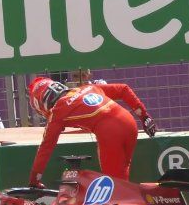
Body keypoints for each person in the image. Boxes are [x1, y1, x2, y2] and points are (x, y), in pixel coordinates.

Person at [27, 77, 157, 187]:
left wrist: (34, 180)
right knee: (122, 174)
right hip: (129, 122)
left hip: (110, 133)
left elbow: (46, 148)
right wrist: (144, 117)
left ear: (41, 103)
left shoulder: (57, 113)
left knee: (115, 185)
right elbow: (123, 89)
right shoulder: (88, 87)